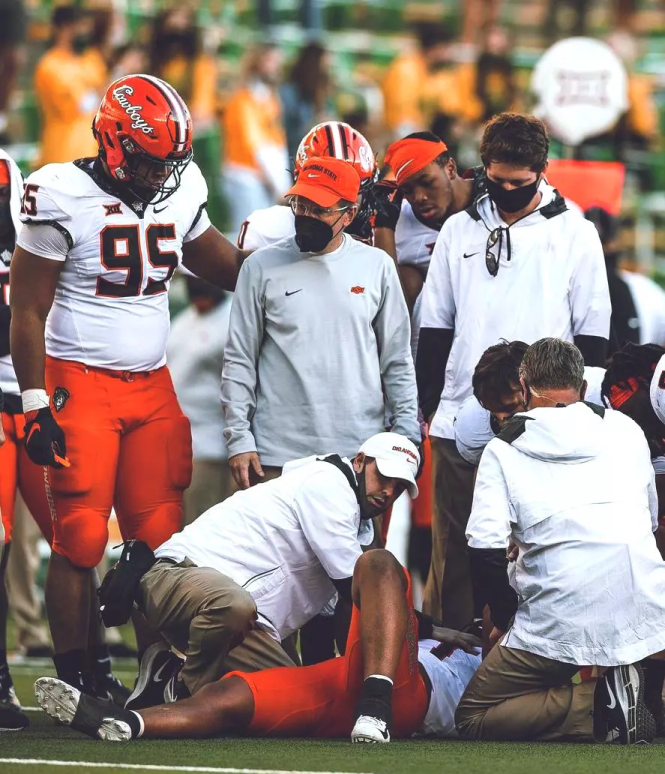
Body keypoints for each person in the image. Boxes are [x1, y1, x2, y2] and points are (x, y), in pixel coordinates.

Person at [9, 74, 245, 696]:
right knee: (81, 537)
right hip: (78, 382)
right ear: (115, 142)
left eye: (171, 160)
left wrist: (291, 258)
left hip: (151, 384)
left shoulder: (176, 187)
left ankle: (153, 670)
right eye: (148, 158)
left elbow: (222, 265)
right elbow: (27, 309)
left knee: (160, 538)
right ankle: (77, 672)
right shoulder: (58, 192)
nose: (161, 173)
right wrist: (35, 404)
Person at [417, 113, 611, 627]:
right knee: (452, 558)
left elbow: (593, 337)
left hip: (540, 420)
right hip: (462, 413)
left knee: (534, 552)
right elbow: (435, 327)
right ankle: (442, 674)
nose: (506, 192)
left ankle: (526, 666)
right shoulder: (460, 229)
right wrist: (424, 410)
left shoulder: (576, 233)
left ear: (542, 171)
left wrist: (579, 417)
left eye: (518, 184)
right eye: (496, 181)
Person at [35, 548, 482, 744]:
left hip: (408, 696)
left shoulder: (501, 668)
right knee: (231, 695)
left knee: (379, 562)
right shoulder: (462, 640)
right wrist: (446, 631)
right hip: (349, 689)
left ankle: (377, 703)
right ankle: (127, 722)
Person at [457, 338, 665, 745]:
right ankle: (638, 697)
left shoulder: (503, 447)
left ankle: (599, 704)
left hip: (560, 615)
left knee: (473, 716)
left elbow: (482, 550)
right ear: (583, 387)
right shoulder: (626, 428)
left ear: (524, 382)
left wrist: (504, 617)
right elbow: (650, 520)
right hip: (643, 603)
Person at [120, 433, 420, 710]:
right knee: (233, 604)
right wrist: (426, 628)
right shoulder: (329, 483)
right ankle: (179, 687)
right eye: (383, 476)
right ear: (359, 461)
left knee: (296, 701)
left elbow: (332, 617)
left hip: (244, 622)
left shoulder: (356, 523)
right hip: (176, 577)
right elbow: (353, 589)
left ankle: (168, 678)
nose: (388, 491)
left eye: (400, 486)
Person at [222, 156, 420, 491]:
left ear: (350, 214)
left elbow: (397, 359)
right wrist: (239, 440)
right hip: (275, 456)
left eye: (320, 209)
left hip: (359, 455)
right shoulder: (259, 267)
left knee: (361, 546)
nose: (306, 216)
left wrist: (405, 436)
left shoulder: (377, 267)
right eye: (301, 205)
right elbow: (239, 359)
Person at [237, 120, 378, 250]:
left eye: (354, 192)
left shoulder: (381, 235)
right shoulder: (269, 231)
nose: (342, 203)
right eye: (329, 193)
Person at [167, 275, 234, 523]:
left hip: (209, 444)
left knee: (200, 525)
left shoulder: (232, 320)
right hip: (174, 441)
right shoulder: (185, 319)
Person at [222, 43, 291, 233]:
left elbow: (276, 141)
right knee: (247, 239)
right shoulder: (243, 100)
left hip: (266, 182)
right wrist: (278, 185)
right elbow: (254, 147)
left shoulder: (270, 98)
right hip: (246, 179)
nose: (275, 67)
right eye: (270, 61)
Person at [34, 5, 100, 166]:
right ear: (65, 28)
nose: (86, 33)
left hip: (93, 155)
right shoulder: (50, 65)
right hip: (62, 157)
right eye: (82, 27)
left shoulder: (91, 59)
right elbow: (81, 106)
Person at [280, 43, 331, 160]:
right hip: (293, 155)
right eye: (323, 67)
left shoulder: (322, 92)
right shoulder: (289, 92)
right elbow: (287, 130)